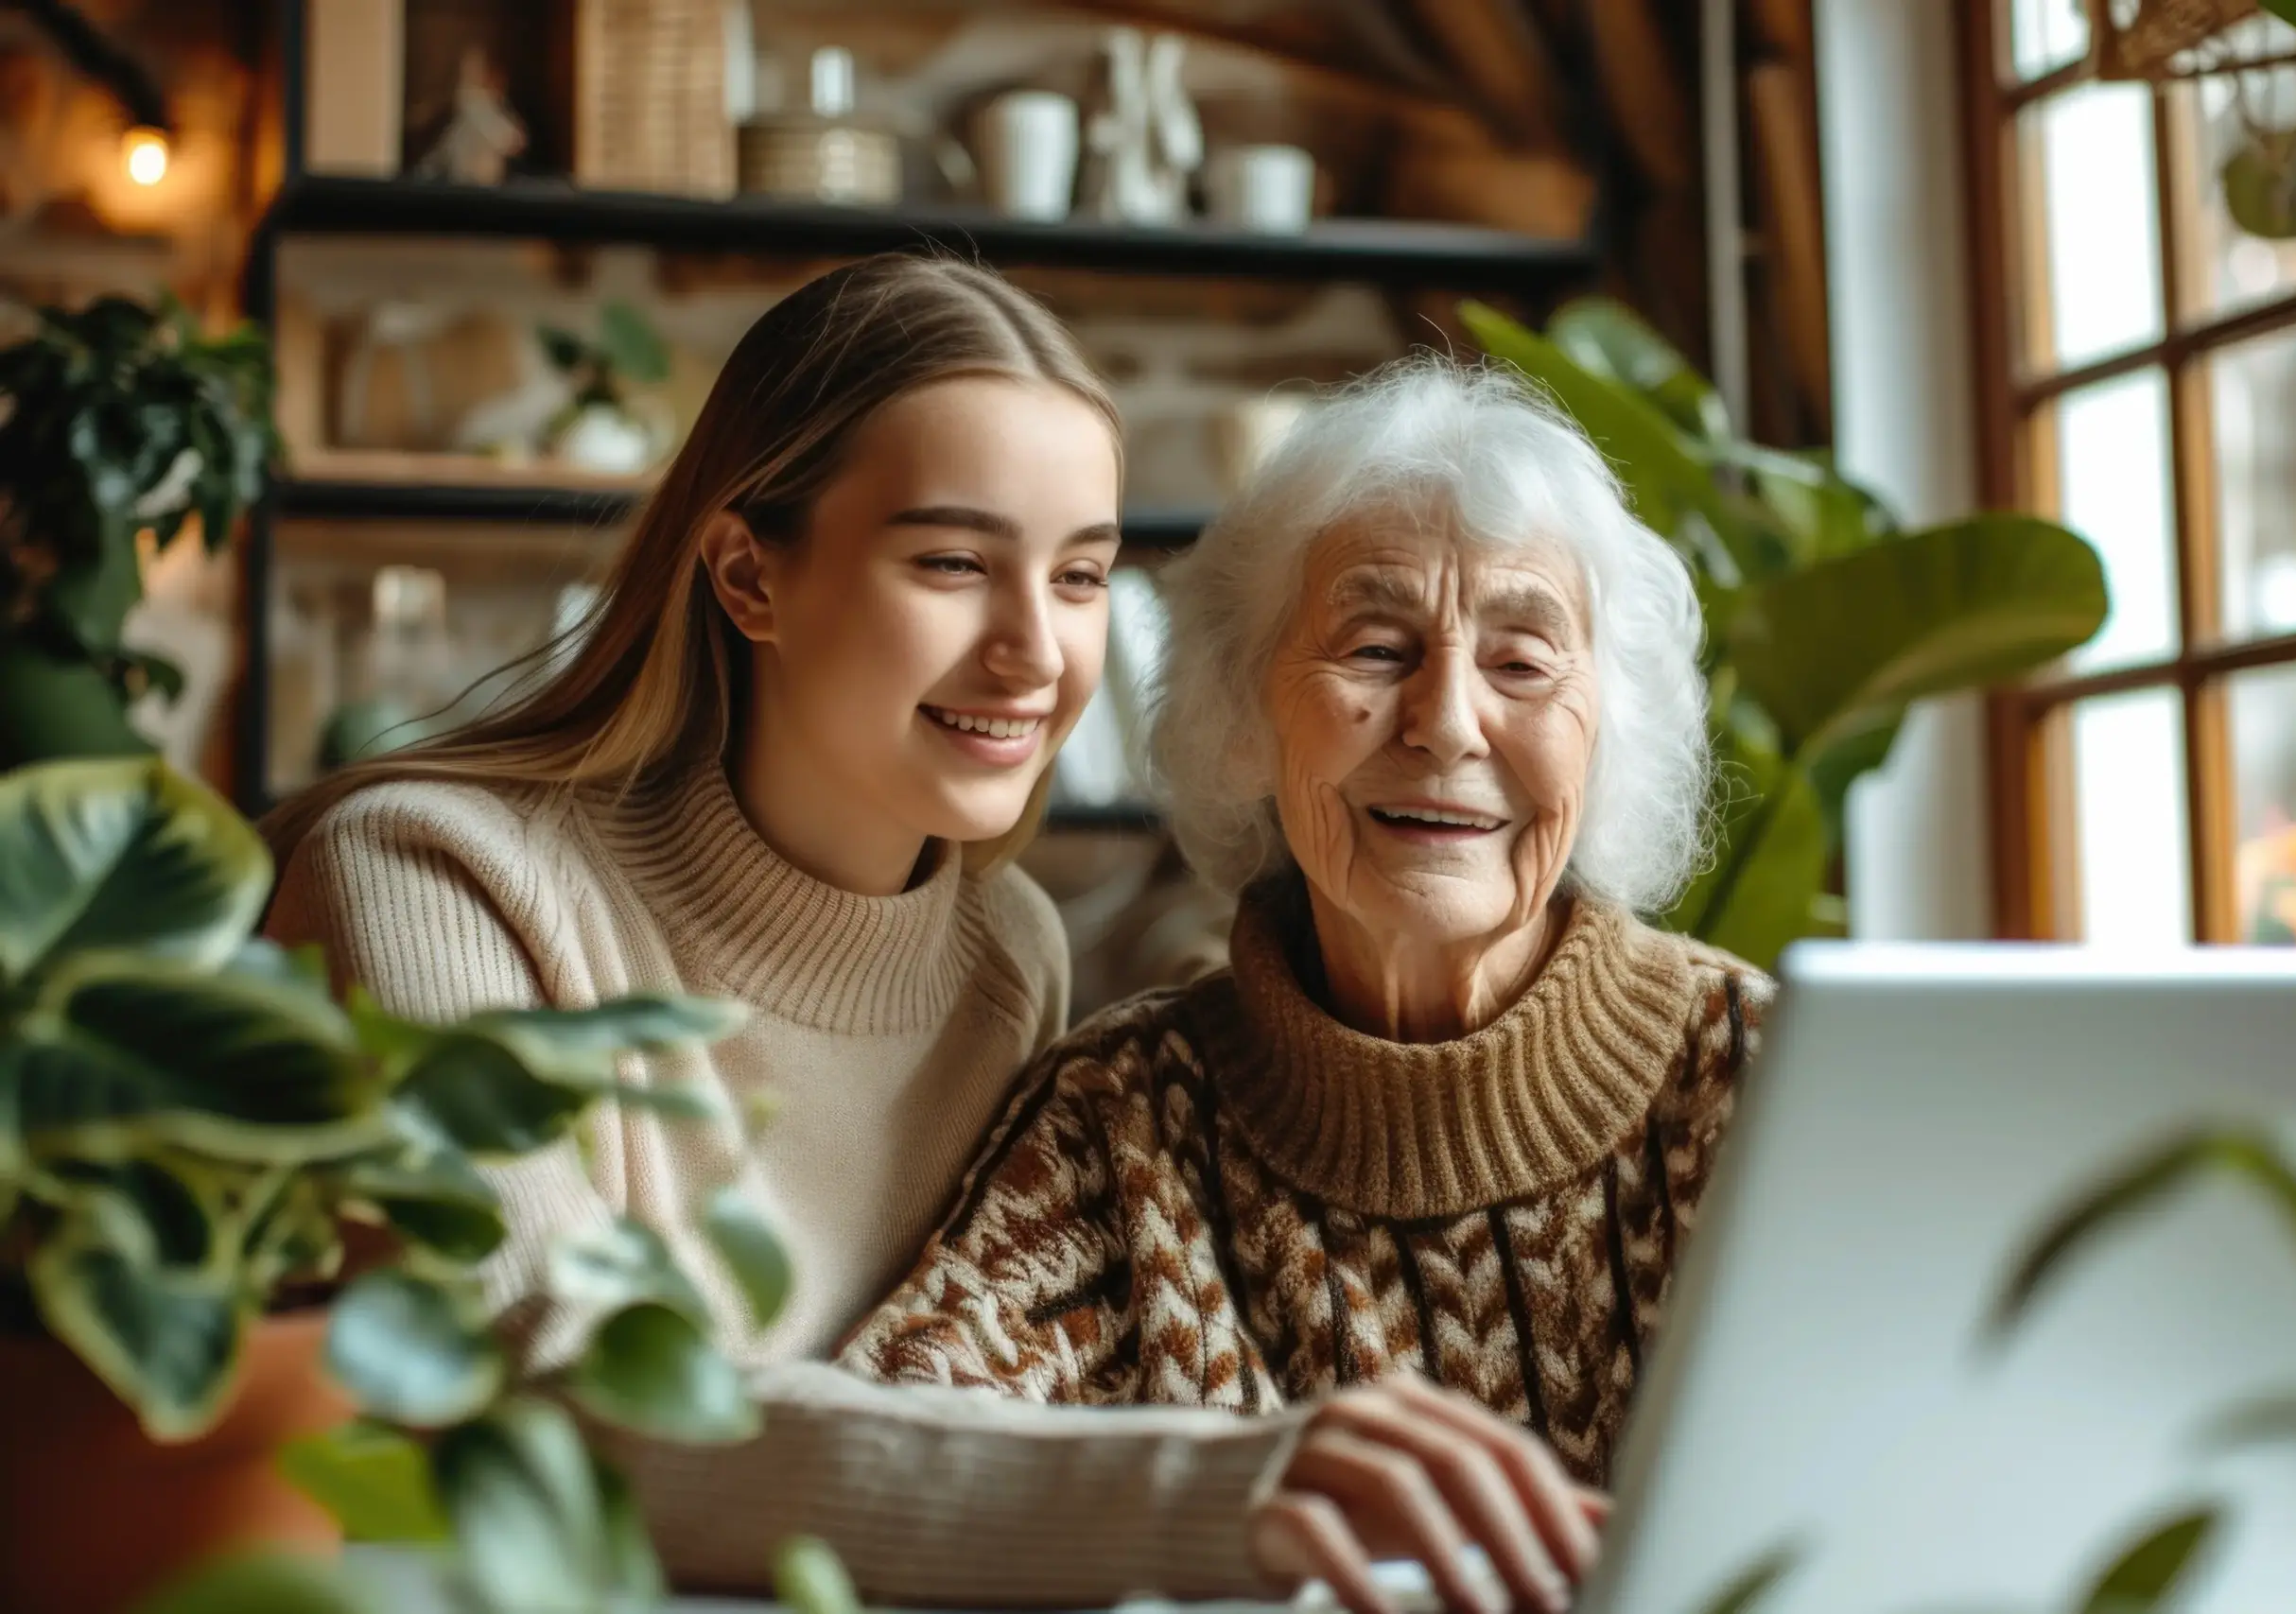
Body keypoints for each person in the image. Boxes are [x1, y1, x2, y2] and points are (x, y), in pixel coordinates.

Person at [264, 259, 1597, 1614]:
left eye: (1080, 574)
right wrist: (1207, 1484)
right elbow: (532, 1386)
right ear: (746, 574)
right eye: (953, 561)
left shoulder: (1004, 957)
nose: (1035, 650)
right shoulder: (430, 876)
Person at [842, 358, 1772, 1506]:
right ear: (1246, 714)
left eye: (1521, 663)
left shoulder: (1762, 1076)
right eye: (1375, 650)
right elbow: (895, 1448)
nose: (1444, 725)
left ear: (1604, 737)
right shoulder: (1124, 1123)